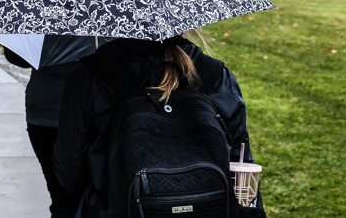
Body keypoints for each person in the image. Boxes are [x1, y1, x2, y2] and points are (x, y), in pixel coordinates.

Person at [54, 34, 265, 217]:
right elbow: (242, 166)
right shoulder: (217, 75)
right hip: (209, 208)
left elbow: (69, 175)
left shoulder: (90, 76)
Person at [3, 49, 81, 217]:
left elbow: (16, 55)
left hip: (46, 107)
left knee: (63, 198)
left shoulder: (44, 21)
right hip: (97, 108)